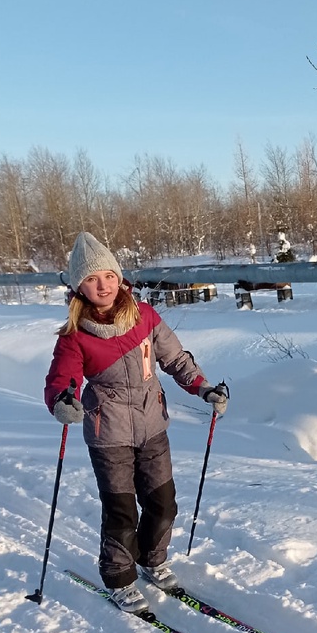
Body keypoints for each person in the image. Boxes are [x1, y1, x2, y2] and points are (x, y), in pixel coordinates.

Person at [44, 232, 228, 613]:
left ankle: (152, 560)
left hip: (152, 426)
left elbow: (176, 359)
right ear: (80, 287)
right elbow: (62, 378)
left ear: (119, 276)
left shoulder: (144, 317)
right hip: (107, 433)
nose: (103, 285)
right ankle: (119, 578)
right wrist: (63, 399)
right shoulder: (75, 335)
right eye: (92, 279)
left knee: (163, 504)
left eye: (108, 276)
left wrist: (203, 388)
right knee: (121, 512)